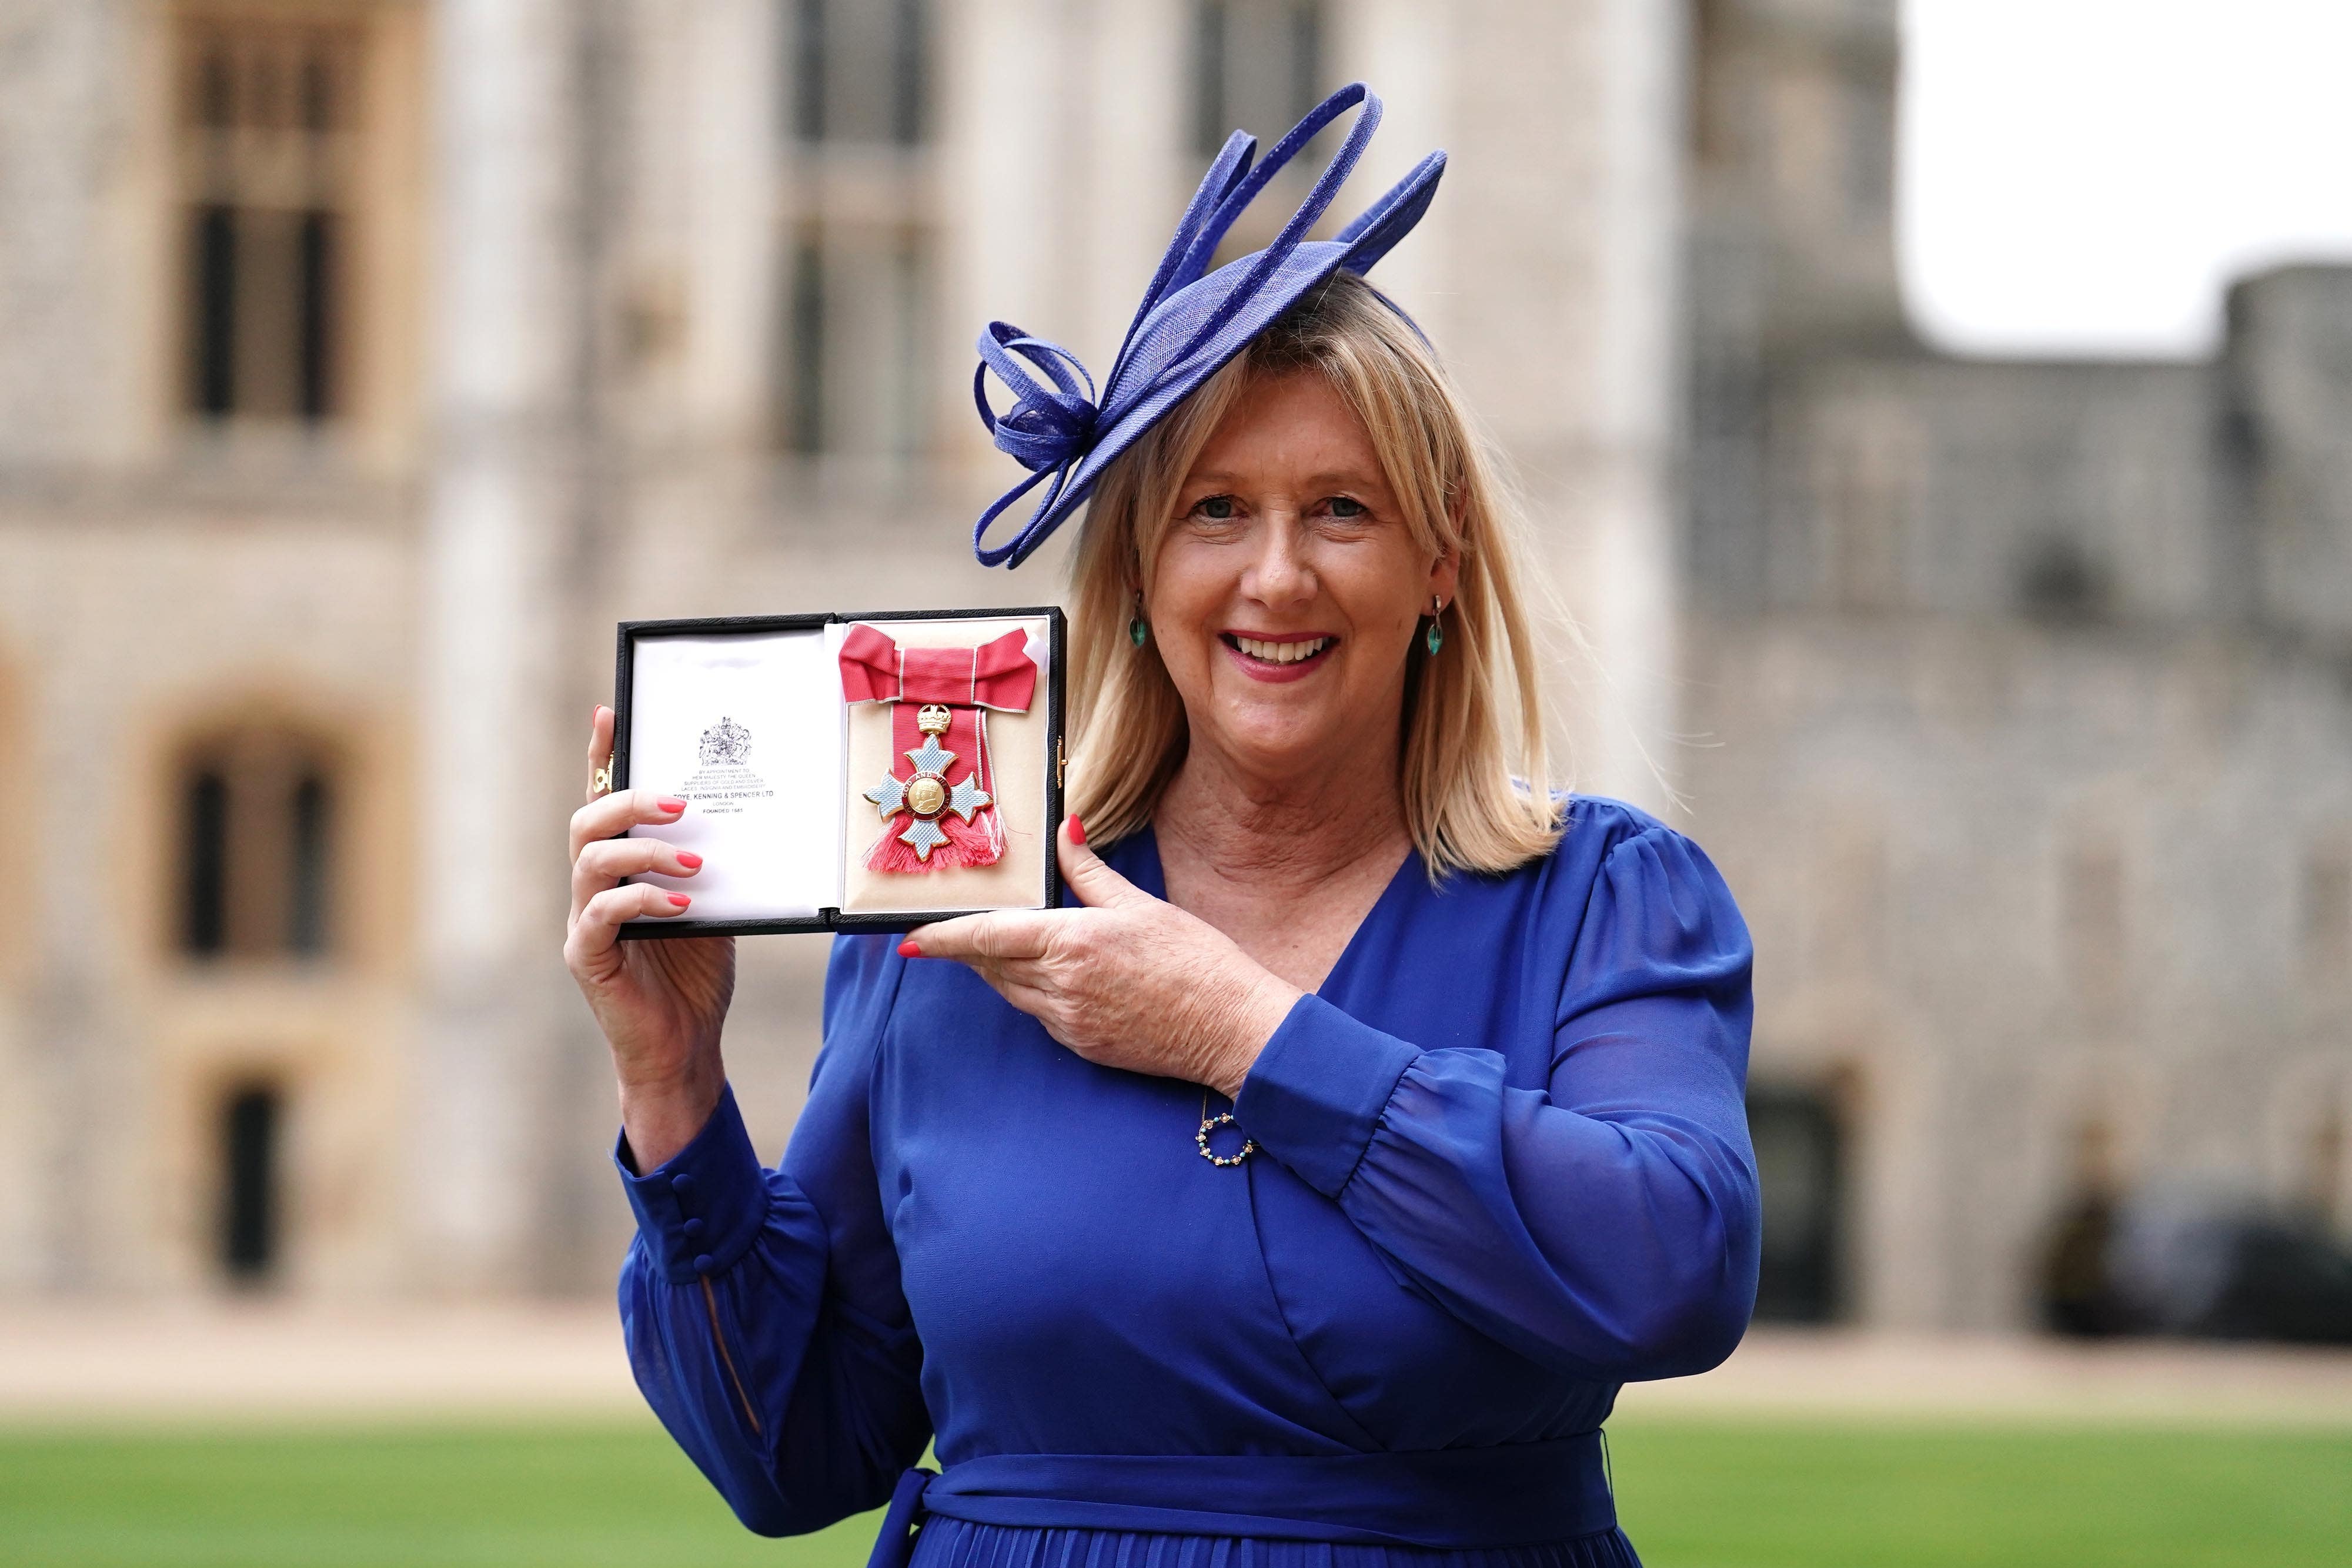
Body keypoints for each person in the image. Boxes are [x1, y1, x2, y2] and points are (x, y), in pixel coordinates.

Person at [566, 85, 1758, 1568]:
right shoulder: (954, 920)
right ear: (1132, 565)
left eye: (1341, 510)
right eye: (1211, 511)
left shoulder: (1601, 900)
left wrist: (1247, 1034)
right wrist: (671, 1081)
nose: (1274, 576)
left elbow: (1674, 1268)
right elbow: (789, 1449)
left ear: (1440, 561)